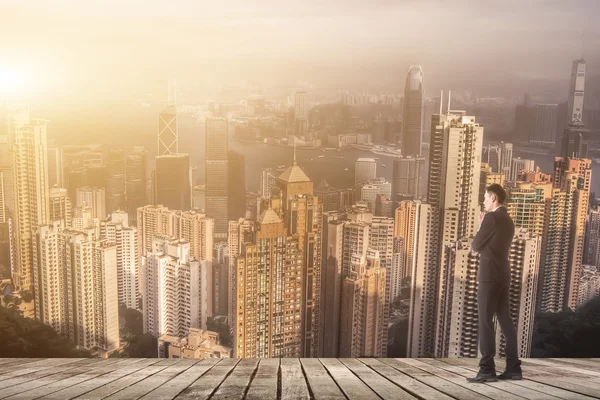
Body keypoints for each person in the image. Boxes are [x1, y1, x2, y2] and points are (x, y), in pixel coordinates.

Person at [467, 183, 522, 383]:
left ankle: (487, 369)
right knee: (505, 320)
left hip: (489, 276)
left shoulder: (491, 217)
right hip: (504, 274)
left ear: (493, 198)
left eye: (485, 198)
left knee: (485, 321)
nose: (483, 201)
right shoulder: (508, 220)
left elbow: (475, 245)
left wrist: (482, 224)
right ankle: (513, 367)